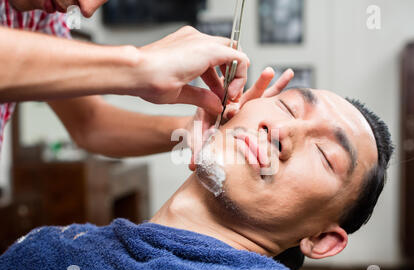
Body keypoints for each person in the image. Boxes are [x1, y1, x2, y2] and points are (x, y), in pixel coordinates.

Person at [0, 87, 394, 270]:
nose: (282, 132)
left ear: (322, 240)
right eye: (288, 107)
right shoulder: (50, 250)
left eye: (325, 155)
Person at [0, 0, 253, 156]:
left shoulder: (42, 16)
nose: (87, 9)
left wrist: (191, 130)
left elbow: (89, 123)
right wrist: (139, 64)